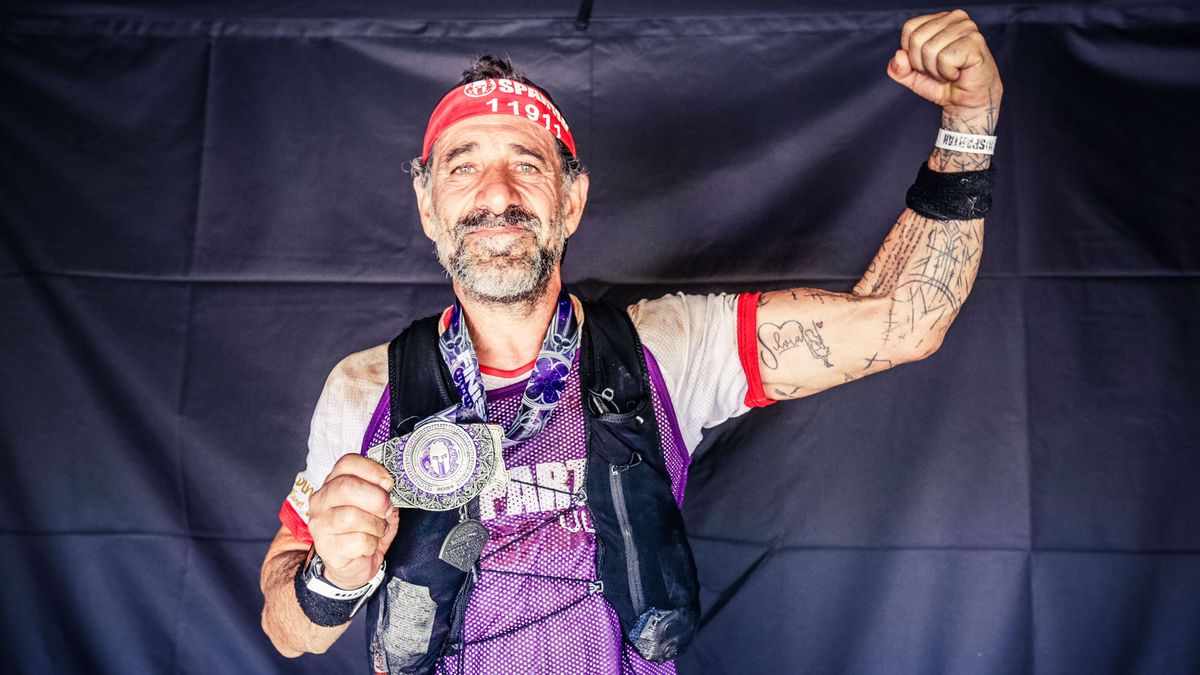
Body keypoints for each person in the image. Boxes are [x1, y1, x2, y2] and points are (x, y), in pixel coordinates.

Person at [260, 9, 1002, 674]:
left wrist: (969, 126)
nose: (496, 194)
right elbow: (289, 630)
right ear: (427, 205)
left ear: (572, 199)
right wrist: (330, 580)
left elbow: (905, 318)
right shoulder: (365, 389)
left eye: (526, 163)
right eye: (463, 166)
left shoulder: (665, 351)